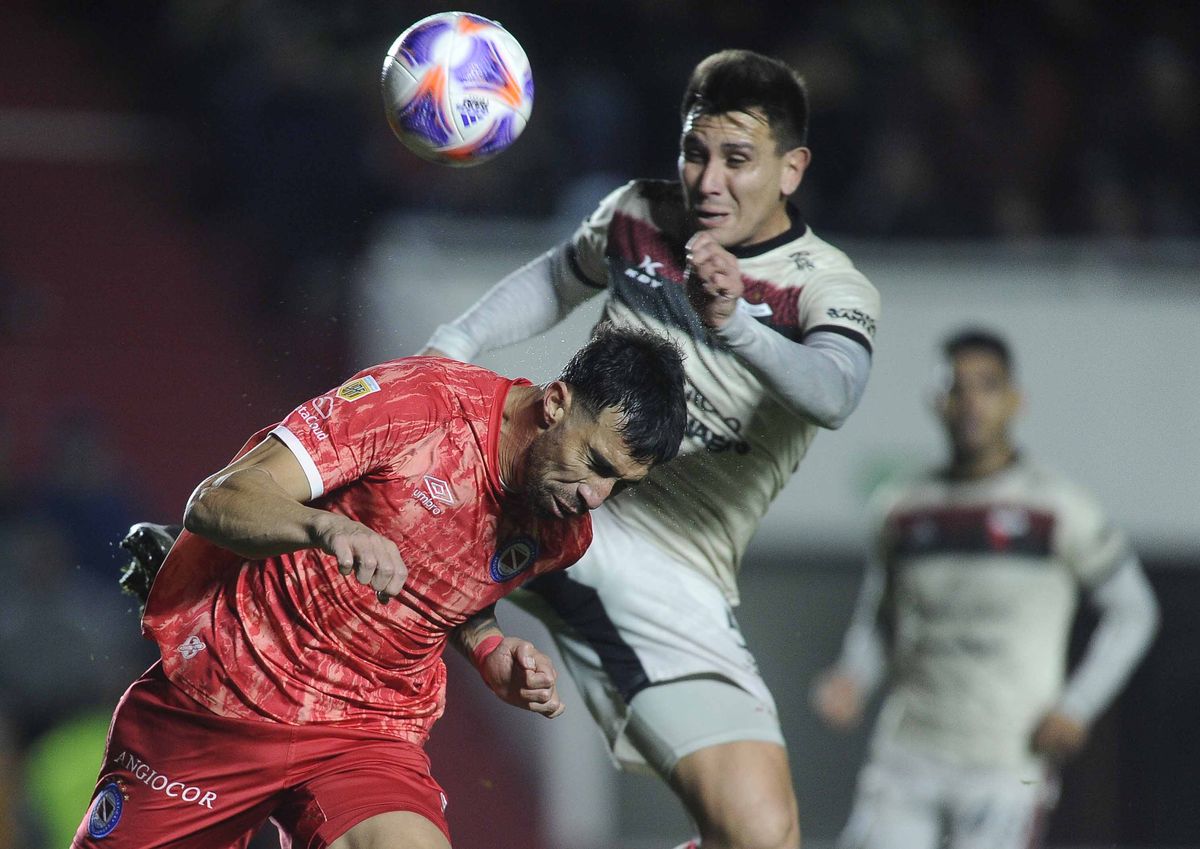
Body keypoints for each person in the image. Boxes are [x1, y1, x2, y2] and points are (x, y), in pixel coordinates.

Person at [421, 49, 881, 849]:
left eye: (738, 159)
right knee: (387, 495)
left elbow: (834, 391)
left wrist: (735, 325)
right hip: (563, 482)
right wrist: (455, 340)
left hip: (669, 567)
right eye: (694, 151)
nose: (709, 180)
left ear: (792, 168)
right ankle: (216, 573)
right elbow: (558, 278)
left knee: (760, 835)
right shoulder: (640, 213)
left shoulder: (826, 286)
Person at [73, 324, 688, 849]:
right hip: (229, 698)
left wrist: (490, 652)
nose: (595, 497)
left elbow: (444, 592)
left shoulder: (562, 532)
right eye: (598, 464)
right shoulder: (418, 405)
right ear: (556, 402)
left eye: (621, 486)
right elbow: (217, 500)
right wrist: (326, 528)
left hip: (367, 731)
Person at [811, 328, 1159, 849]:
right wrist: (854, 676)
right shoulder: (902, 506)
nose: (971, 401)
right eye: (956, 387)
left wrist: (1077, 705)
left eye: (987, 386)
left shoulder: (1058, 506)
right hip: (908, 751)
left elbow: (1133, 611)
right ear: (936, 401)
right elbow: (882, 616)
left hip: (1006, 759)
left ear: (1015, 399)